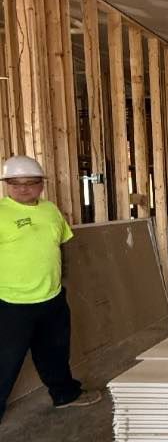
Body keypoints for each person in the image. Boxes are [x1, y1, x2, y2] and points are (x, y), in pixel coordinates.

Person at [0, 155, 101, 421]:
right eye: (15, 183)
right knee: (5, 360)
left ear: (41, 185)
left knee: (55, 353)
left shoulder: (50, 210)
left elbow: (59, 245)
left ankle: (64, 395)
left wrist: (58, 279)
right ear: (7, 185)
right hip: (12, 303)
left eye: (30, 183)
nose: (23, 189)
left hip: (51, 298)